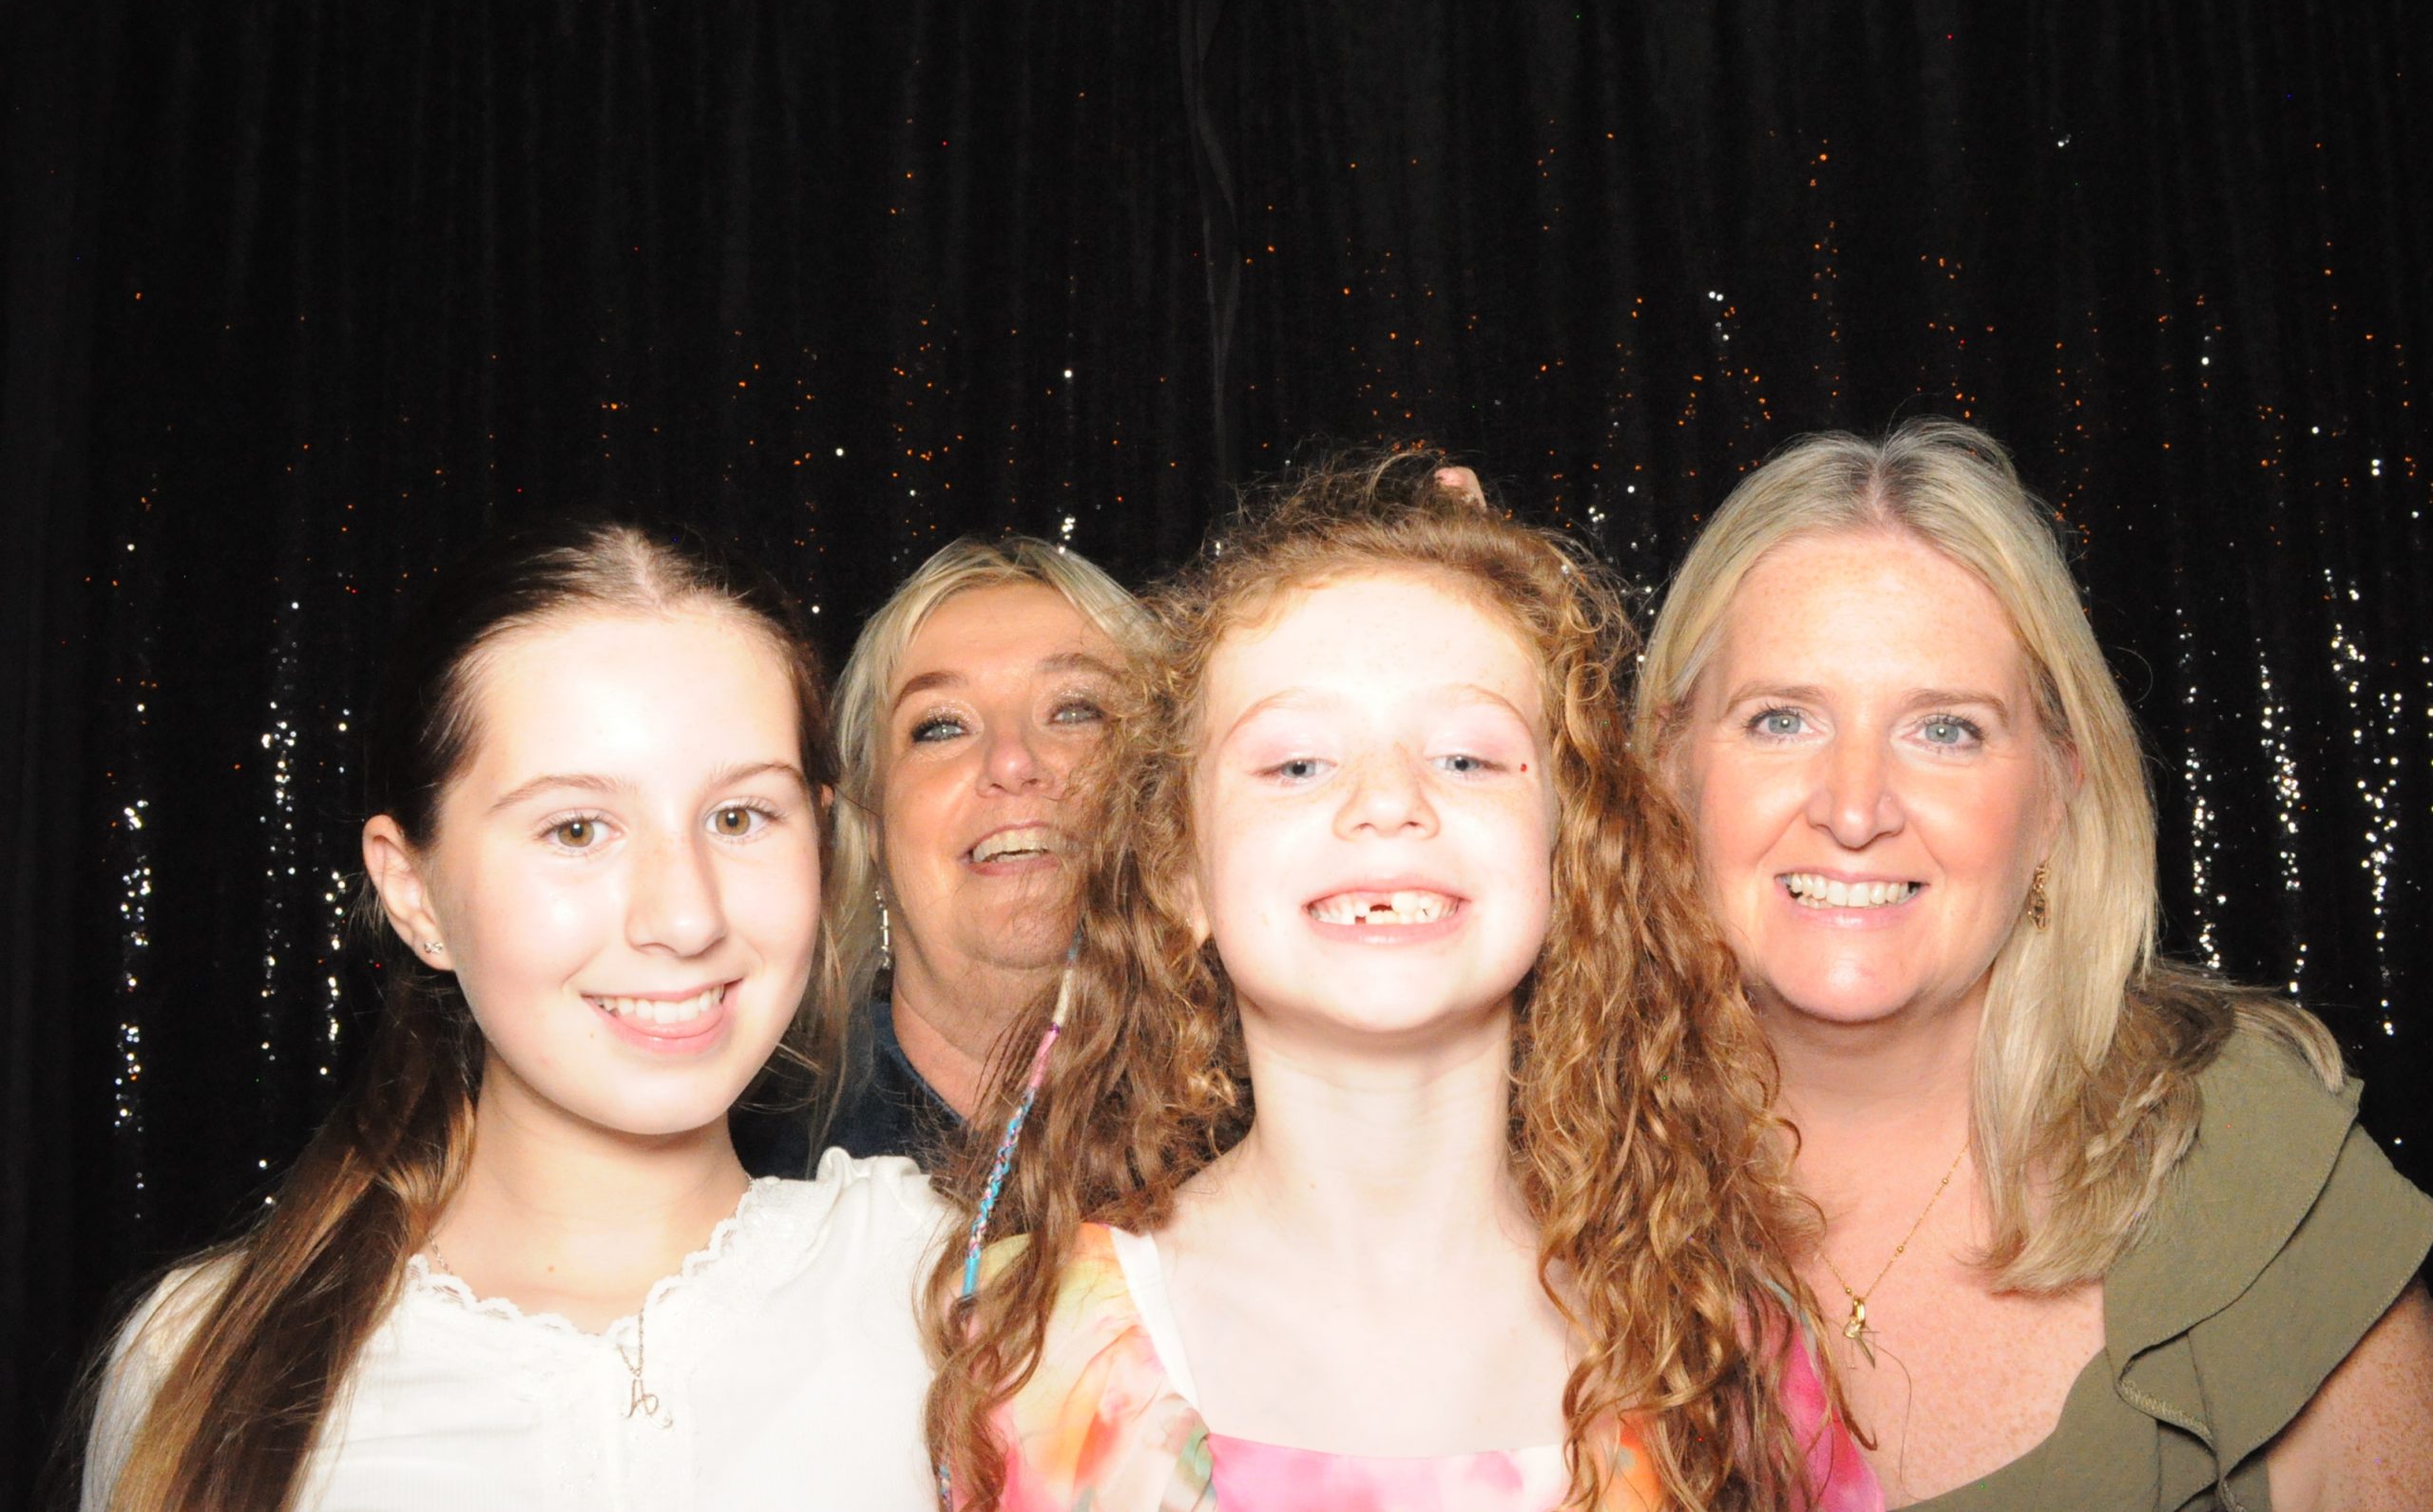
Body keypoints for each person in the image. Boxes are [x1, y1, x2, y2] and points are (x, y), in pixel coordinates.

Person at [928, 454, 1881, 1512]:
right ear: (1179, 871)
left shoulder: (1717, 1346)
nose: (1388, 802)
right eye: (1296, 764)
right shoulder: (1032, 1346)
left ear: (1570, 856)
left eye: (1467, 759)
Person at [1632, 418, 2433, 1510]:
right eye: (1781, 719)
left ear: (2056, 793)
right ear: (1669, 769)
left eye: (1945, 730)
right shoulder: (1536, 1179)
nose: (1854, 809)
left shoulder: (2252, 1174)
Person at [79, 520, 947, 1512]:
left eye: (739, 817)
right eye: (575, 829)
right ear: (413, 893)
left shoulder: (963, 1300)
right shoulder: (198, 1359)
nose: (686, 917)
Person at [745, 537, 1147, 1177]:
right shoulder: (751, 1169)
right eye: (942, 726)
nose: (1012, 761)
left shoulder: (1284, 1129)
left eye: (1076, 711)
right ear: (869, 822)